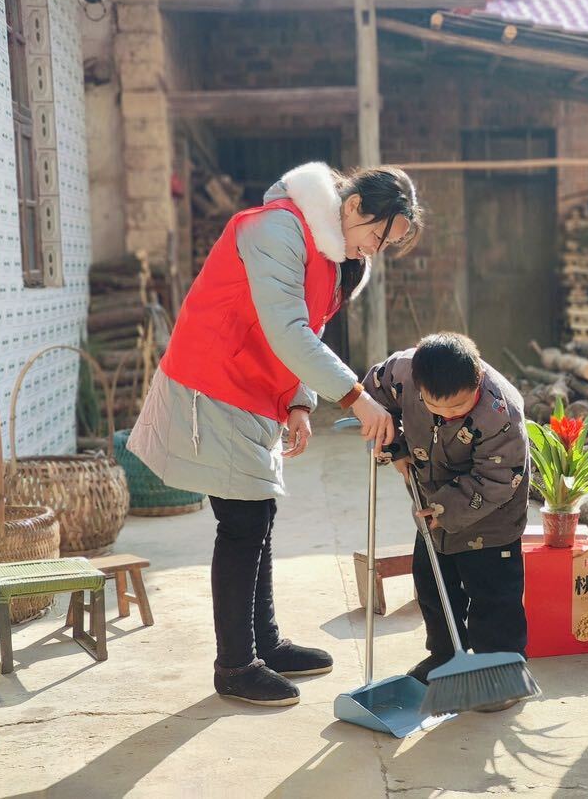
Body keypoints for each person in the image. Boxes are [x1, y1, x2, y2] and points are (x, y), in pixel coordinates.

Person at [128, 161, 423, 707]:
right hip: (212, 381)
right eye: (378, 235)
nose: (374, 250)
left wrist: (299, 402)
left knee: (257, 512)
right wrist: (357, 399)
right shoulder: (277, 227)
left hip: (254, 388)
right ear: (355, 206)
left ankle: (263, 642)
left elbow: (308, 328)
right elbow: (286, 328)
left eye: (387, 245)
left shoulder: (334, 252)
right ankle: (236, 666)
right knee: (241, 521)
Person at [364, 333, 530, 710]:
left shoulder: (501, 411)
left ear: (477, 382)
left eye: (458, 406)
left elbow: (498, 479)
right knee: (432, 583)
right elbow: (371, 397)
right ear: (419, 386)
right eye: (435, 406)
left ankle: (500, 671)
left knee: (492, 594)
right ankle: (445, 656)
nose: (447, 415)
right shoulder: (401, 373)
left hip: (493, 512)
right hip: (430, 499)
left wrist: (445, 511)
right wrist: (394, 445)